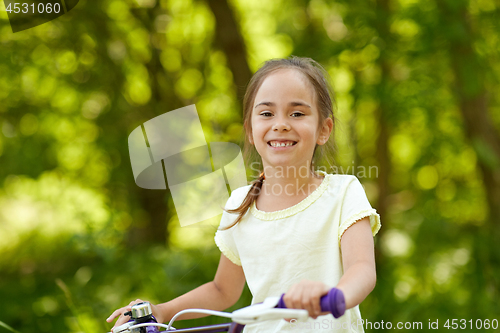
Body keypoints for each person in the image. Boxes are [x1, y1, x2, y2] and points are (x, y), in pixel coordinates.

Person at [107, 56, 381, 332]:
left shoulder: (344, 192)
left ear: (324, 130)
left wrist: (333, 296)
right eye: (266, 113)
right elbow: (222, 289)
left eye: (297, 113)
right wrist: (162, 310)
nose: (281, 124)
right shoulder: (239, 204)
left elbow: (362, 270)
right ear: (250, 130)